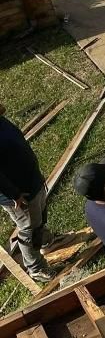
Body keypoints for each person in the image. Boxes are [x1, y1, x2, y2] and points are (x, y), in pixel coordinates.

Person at [0, 104, 52, 282]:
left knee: (40, 214)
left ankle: (44, 240)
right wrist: (14, 195)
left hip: (32, 181)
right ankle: (35, 268)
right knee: (28, 228)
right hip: (19, 194)